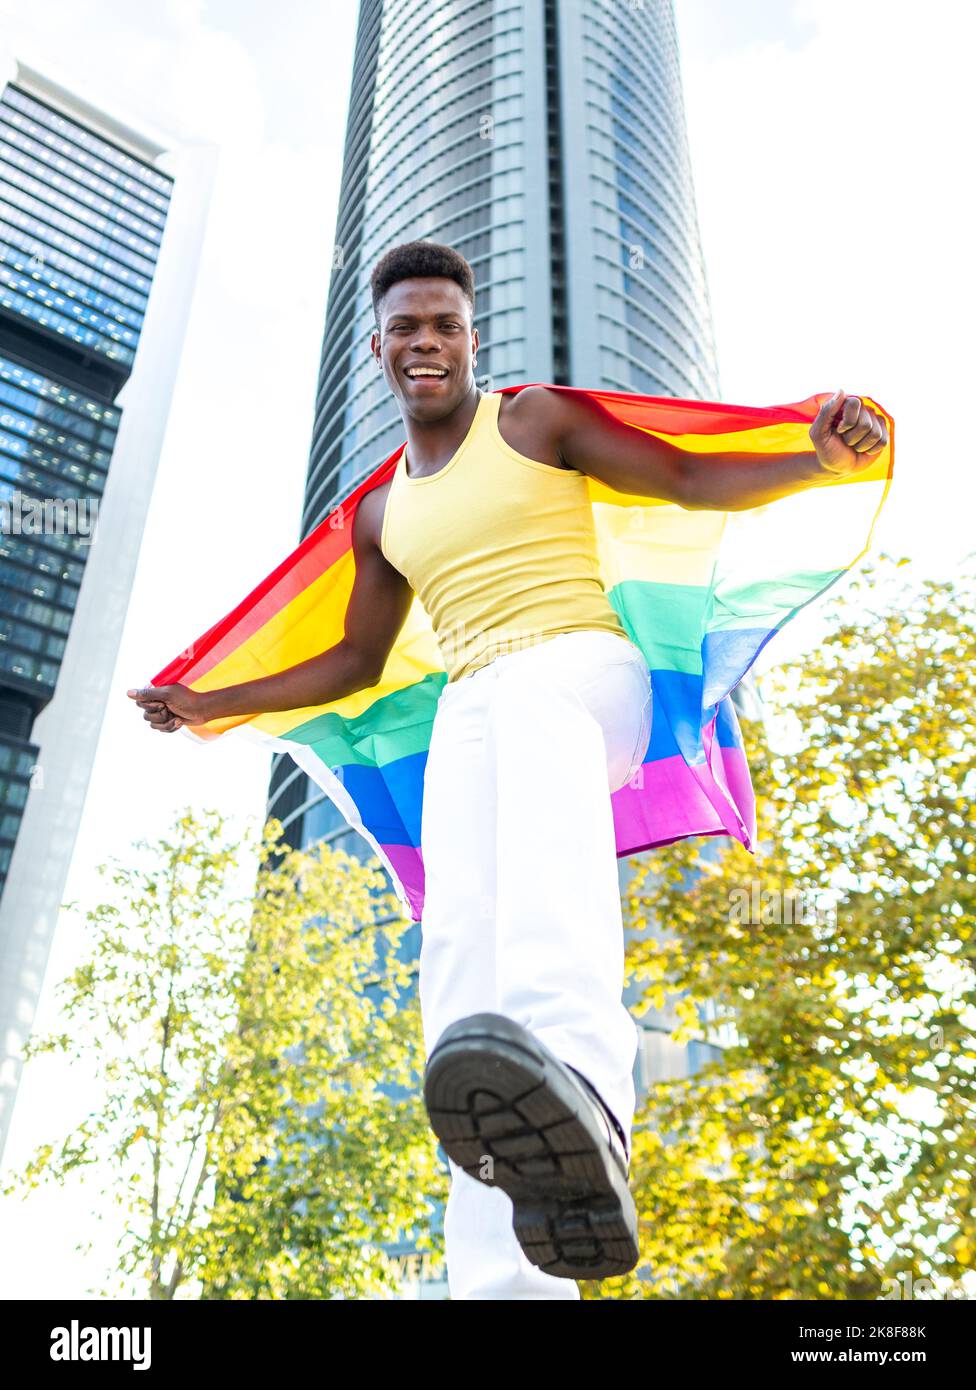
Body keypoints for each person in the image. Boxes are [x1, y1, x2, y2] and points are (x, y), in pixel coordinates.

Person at [128, 240, 889, 1300]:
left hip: (588, 677)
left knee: (524, 711)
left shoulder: (529, 421)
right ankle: (502, 1275)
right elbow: (352, 658)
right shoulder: (384, 513)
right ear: (381, 349)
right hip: (480, 703)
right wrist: (211, 704)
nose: (426, 342)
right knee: (457, 939)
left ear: (469, 336)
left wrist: (816, 457)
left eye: (444, 324)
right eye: (407, 328)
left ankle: (582, 1081)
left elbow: (679, 476)